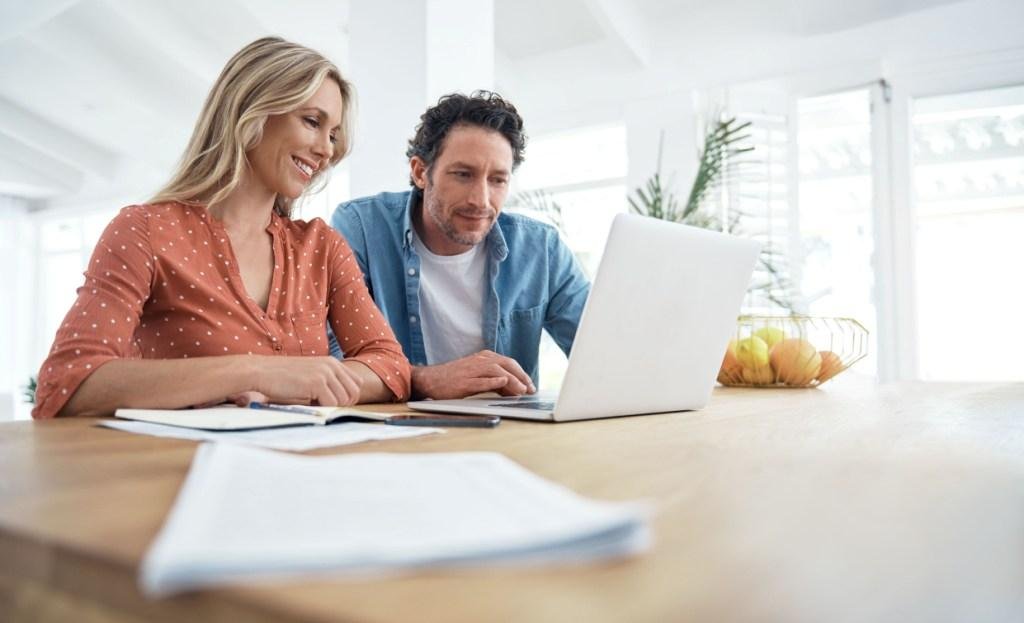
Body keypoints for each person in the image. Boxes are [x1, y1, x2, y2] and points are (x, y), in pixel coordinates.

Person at [32, 37, 411, 419]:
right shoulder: (143, 231)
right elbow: (68, 383)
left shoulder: (321, 247)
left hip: (300, 467)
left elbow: (390, 367)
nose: (327, 150)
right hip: (172, 471)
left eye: (333, 135)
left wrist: (314, 383)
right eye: (312, 122)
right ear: (252, 111)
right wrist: (254, 371)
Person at [330, 91, 590, 400]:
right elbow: (334, 363)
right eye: (463, 175)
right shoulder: (362, 227)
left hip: (508, 432)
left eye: (498, 180)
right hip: (398, 430)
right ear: (420, 172)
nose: (480, 200)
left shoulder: (541, 248)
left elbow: (601, 353)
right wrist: (424, 380)